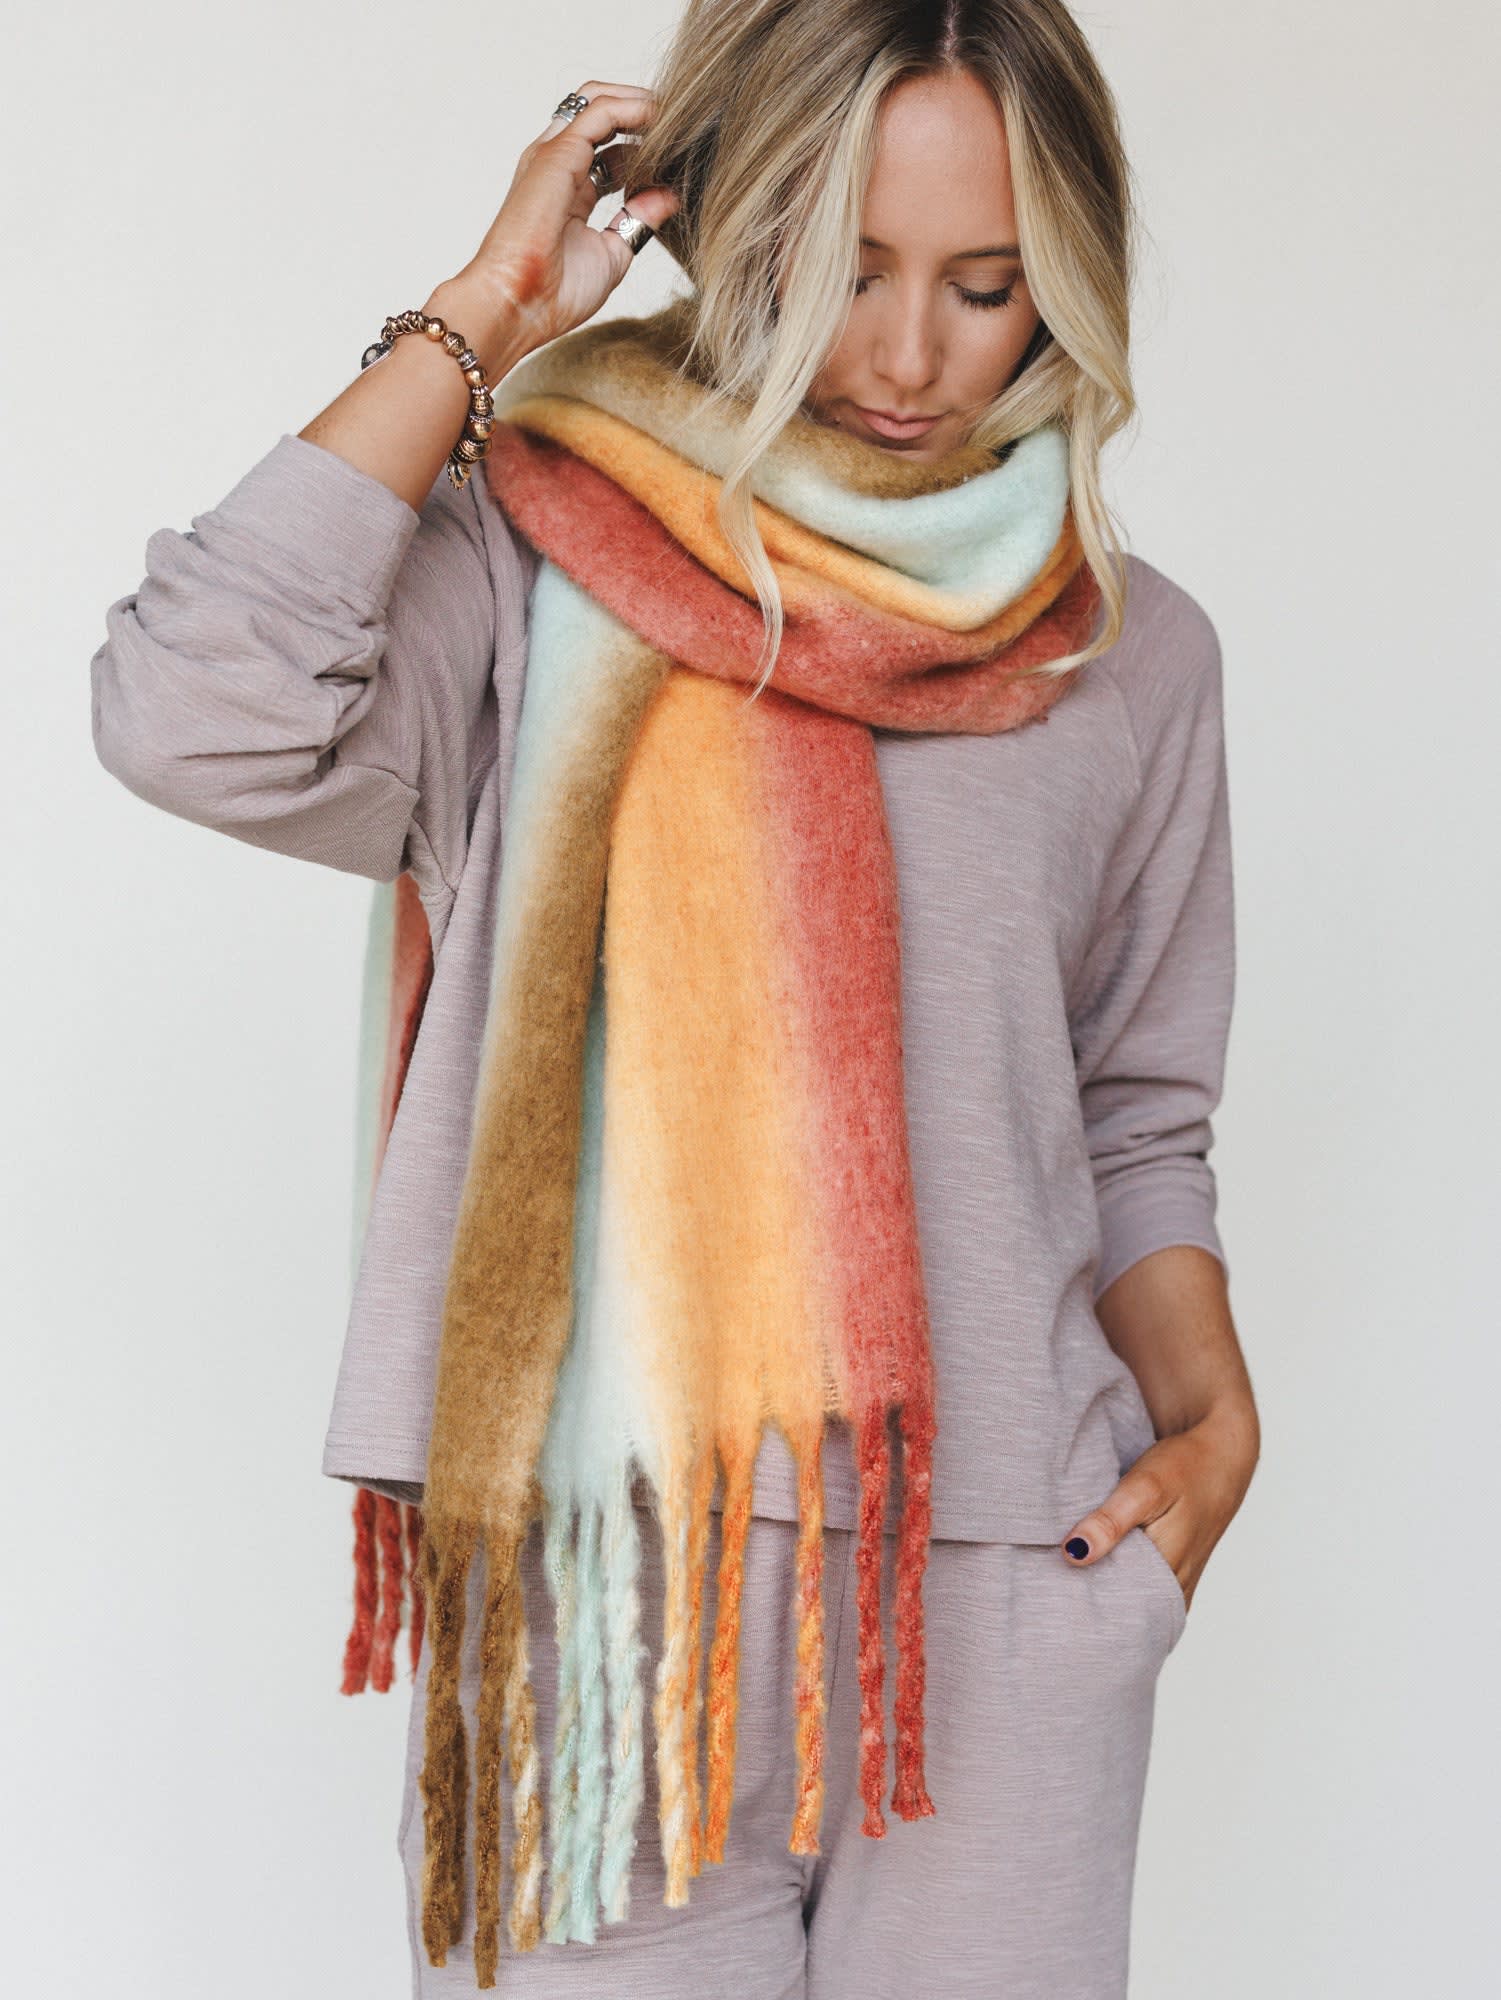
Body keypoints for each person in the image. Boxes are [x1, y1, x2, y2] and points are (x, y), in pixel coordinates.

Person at [88, 2, 1260, 1993]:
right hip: (597, 1588)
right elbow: (189, 710)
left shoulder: (1124, 653)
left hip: (1002, 1579)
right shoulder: (523, 568)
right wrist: (480, 315)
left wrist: (1212, 1425)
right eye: (840, 267)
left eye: (983, 286)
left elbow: (1133, 1106)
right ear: (728, 229)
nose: (908, 355)